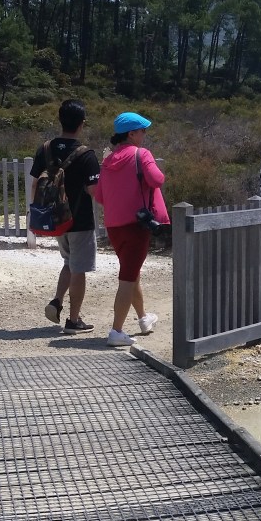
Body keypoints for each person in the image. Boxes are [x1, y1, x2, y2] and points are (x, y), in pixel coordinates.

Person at [92, 111, 166, 347]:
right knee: (127, 277)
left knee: (131, 273)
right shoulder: (141, 154)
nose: (144, 135)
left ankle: (143, 319)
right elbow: (158, 179)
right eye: (142, 131)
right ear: (131, 133)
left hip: (114, 227)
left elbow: (101, 196)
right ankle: (116, 331)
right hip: (137, 225)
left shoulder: (108, 160)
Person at [34, 99, 102, 335]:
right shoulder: (87, 155)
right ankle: (73, 321)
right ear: (82, 124)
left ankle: (57, 301)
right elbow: (94, 190)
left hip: (55, 220)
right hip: (80, 220)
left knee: (68, 262)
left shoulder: (45, 149)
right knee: (79, 268)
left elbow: (35, 184)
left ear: (60, 120)